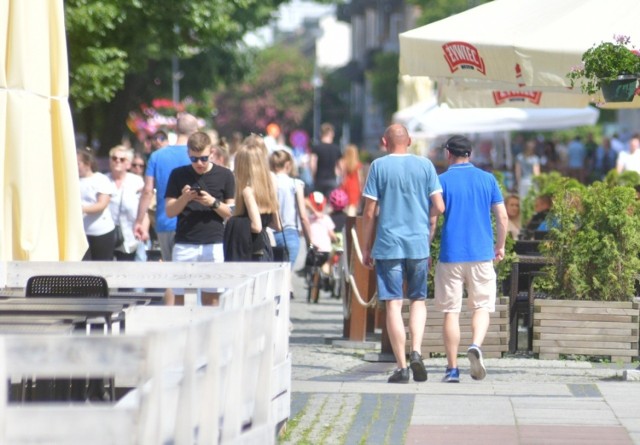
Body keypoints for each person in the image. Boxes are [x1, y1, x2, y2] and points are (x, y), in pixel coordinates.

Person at [362, 124, 444, 384]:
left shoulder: (378, 166)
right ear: (409, 140)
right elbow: (439, 207)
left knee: (394, 304)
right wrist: (423, 222)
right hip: (418, 244)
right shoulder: (426, 166)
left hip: (388, 244)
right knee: (418, 300)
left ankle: (401, 367)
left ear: (385, 142)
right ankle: (417, 351)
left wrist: (366, 247)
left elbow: (368, 212)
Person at [433, 135, 507, 383]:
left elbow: (433, 217)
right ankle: (475, 344)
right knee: (482, 306)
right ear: (471, 154)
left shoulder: (441, 181)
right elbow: (503, 217)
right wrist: (500, 245)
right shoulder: (488, 180)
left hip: (451, 254)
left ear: (448, 154)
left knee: (451, 312)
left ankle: (452, 369)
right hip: (481, 254)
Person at [165, 131, 235, 305]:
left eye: (204, 158)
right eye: (194, 159)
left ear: (212, 152)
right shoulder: (178, 174)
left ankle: (209, 333)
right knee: (180, 301)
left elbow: (231, 213)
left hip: (213, 243)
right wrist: (184, 198)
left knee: (211, 301)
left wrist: (213, 202)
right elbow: (170, 211)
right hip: (184, 243)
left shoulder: (225, 175)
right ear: (188, 154)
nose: (199, 163)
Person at [134, 113, 198, 263]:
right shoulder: (197, 157)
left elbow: (148, 191)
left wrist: (139, 220)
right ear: (196, 132)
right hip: (192, 223)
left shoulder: (156, 156)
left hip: (165, 222)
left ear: (175, 129)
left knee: (172, 278)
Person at [224, 135, 281, 262]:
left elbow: (256, 226)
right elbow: (277, 225)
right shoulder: (268, 188)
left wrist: (233, 222)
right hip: (265, 246)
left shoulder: (247, 191)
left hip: (251, 248)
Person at [270, 149, 312, 272]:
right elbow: (303, 217)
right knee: (285, 278)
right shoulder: (295, 184)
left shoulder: (268, 183)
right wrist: (310, 243)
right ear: (288, 164)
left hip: (270, 235)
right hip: (289, 235)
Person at [106, 145, 146, 261]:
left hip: (131, 233)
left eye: (122, 159)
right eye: (114, 158)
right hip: (107, 234)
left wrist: (144, 228)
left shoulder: (137, 181)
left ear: (128, 164)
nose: (117, 161)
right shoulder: (103, 180)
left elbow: (145, 209)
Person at [77, 149, 116, 260]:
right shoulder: (74, 181)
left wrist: (82, 209)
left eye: (78, 163)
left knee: (101, 267)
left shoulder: (100, 179)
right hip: (81, 234)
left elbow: (102, 204)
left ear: (87, 164)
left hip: (101, 233)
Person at [311, 123, 342, 199]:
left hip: (319, 179)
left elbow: (312, 164)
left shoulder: (316, 148)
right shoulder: (336, 149)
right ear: (332, 134)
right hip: (332, 179)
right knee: (331, 202)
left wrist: (313, 176)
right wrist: (339, 175)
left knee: (318, 202)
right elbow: (341, 165)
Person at [339, 144, 363, 216]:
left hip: (345, 185)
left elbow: (342, 176)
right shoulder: (357, 164)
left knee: (345, 205)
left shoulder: (343, 163)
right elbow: (360, 178)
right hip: (355, 186)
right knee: (352, 206)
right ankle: (351, 222)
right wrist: (361, 188)